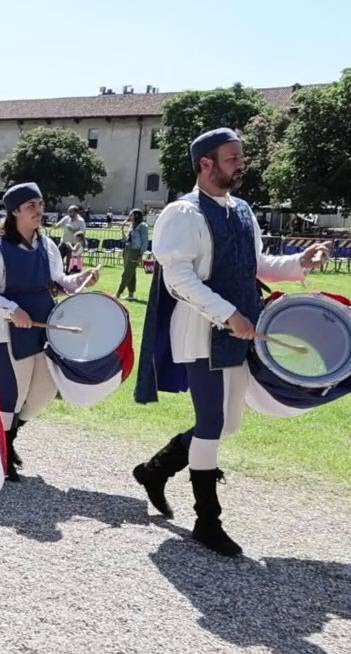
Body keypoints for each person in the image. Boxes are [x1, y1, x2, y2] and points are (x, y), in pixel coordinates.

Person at [132, 128, 330, 556]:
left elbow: (256, 264)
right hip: (201, 333)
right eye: (231, 158)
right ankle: (207, 519)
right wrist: (227, 314)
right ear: (206, 164)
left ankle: (154, 470)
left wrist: (299, 262)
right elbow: (178, 278)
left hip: (239, 330)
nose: (241, 164)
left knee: (227, 424)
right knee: (211, 423)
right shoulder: (182, 214)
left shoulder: (241, 210)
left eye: (241, 157)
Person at [0, 182, 98, 483]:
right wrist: (11, 309)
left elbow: (58, 281)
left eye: (40, 205)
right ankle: (1, 453)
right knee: (10, 394)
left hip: (42, 327)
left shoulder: (47, 245)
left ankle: (8, 438)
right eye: (31, 207)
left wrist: (80, 280)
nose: (39, 211)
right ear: (15, 212)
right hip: (3, 332)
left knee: (43, 392)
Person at [117, 209, 150, 300]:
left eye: (131, 215)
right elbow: (126, 240)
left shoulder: (142, 226)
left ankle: (118, 293)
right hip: (127, 250)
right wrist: (122, 229)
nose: (129, 217)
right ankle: (131, 295)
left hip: (135, 252)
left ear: (136, 216)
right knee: (131, 273)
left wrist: (140, 255)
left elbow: (145, 242)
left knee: (127, 273)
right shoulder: (132, 225)